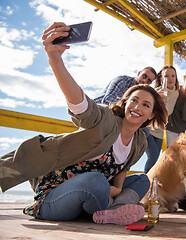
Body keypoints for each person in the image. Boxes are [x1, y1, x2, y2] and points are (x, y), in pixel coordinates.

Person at [0, 22, 168, 226]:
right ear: (124, 104)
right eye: (133, 100)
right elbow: (81, 105)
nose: (137, 107)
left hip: (96, 195)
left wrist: (115, 188)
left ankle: (111, 211)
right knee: (96, 180)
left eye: (145, 104)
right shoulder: (106, 120)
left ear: (151, 115)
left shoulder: (140, 140)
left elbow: (124, 167)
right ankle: (114, 206)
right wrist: (55, 60)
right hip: (55, 197)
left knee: (142, 179)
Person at [144, 65, 180, 173]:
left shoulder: (176, 93)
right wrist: (156, 100)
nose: (170, 78)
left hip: (160, 131)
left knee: (155, 159)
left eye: (173, 76)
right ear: (161, 79)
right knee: (153, 156)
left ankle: (149, 183)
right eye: (166, 76)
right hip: (148, 128)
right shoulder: (156, 92)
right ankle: (147, 182)